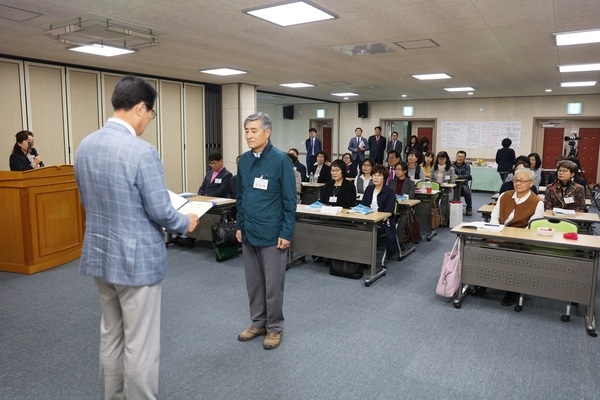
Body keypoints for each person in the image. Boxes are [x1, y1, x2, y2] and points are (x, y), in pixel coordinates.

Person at [74, 75, 199, 399]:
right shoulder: (142, 152)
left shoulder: (85, 146)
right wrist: (185, 222)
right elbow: (160, 210)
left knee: (111, 335)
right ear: (141, 108)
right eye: (151, 114)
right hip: (136, 262)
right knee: (140, 345)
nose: (148, 122)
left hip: (100, 256)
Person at [236, 112, 296, 350]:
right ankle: (258, 322)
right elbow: (240, 197)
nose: (249, 135)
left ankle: (274, 327)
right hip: (249, 231)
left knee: (273, 284)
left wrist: (287, 232)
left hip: (273, 234)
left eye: (253, 131)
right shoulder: (244, 161)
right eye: (246, 131)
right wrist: (240, 224)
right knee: (254, 283)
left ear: (267, 132)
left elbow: (290, 200)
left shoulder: (281, 160)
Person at [489, 167, 544, 306]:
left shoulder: (537, 202)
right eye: (516, 180)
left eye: (522, 181)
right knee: (475, 246)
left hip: (519, 240)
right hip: (498, 233)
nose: (518, 183)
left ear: (531, 183)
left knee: (513, 255)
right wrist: (496, 231)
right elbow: (494, 216)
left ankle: (512, 290)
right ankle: (479, 283)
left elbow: (530, 227)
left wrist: (509, 237)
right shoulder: (505, 195)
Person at [361, 164, 397, 259]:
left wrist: (374, 218)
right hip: (367, 220)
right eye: (374, 175)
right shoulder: (369, 189)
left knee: (369, 230)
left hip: (383, 222)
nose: (376, 178)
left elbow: (388, 211)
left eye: (379, 175)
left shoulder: (390, 192)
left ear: (384, 178)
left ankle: (367, 257)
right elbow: (363, 206)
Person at [452, 150, 473, 216]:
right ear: (456, 156)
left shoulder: (467, 166)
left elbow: (468, 176)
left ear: (464, 158)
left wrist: (458, 176)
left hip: (463, 185)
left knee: (467, 192)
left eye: (461, 157)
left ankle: (469, 207)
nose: (459, 158)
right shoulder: (451, 165)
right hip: (453, 185)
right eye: (458, 156)